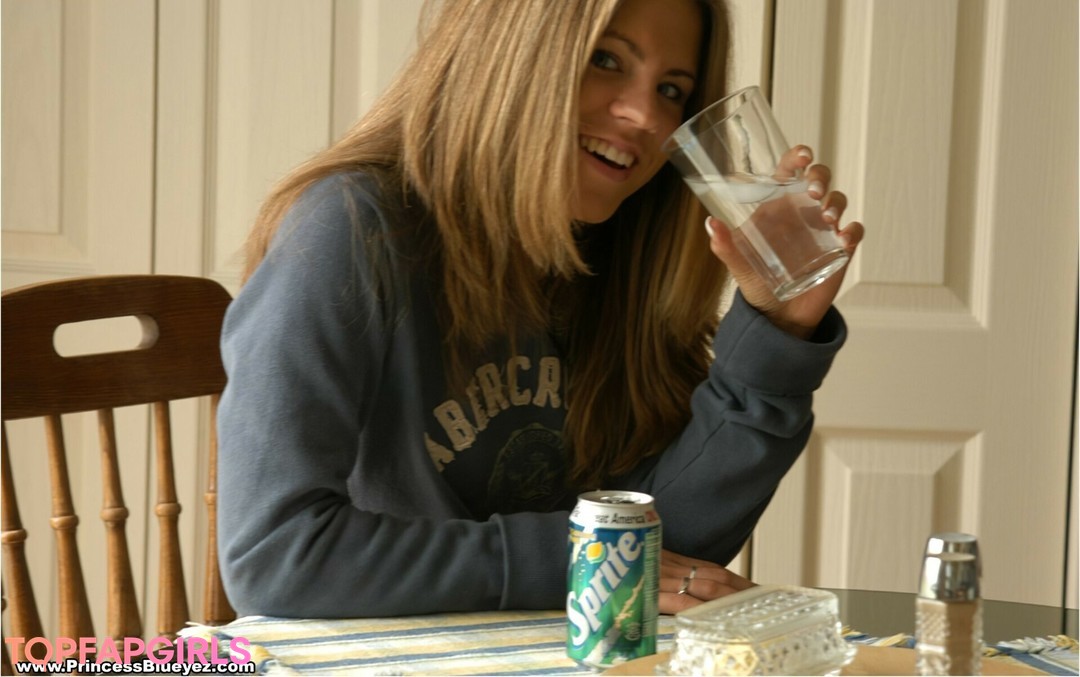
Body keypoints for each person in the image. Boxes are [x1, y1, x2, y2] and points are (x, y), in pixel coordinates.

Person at [217, 0, 864, 619]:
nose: (646, 115)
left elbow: (668, 543)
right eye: (607, 59)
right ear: (511, 52)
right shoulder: (349, 227)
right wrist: (574, 557)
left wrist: (778, 332)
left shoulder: (607, 259)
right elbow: (274, 555)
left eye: (672, 90)